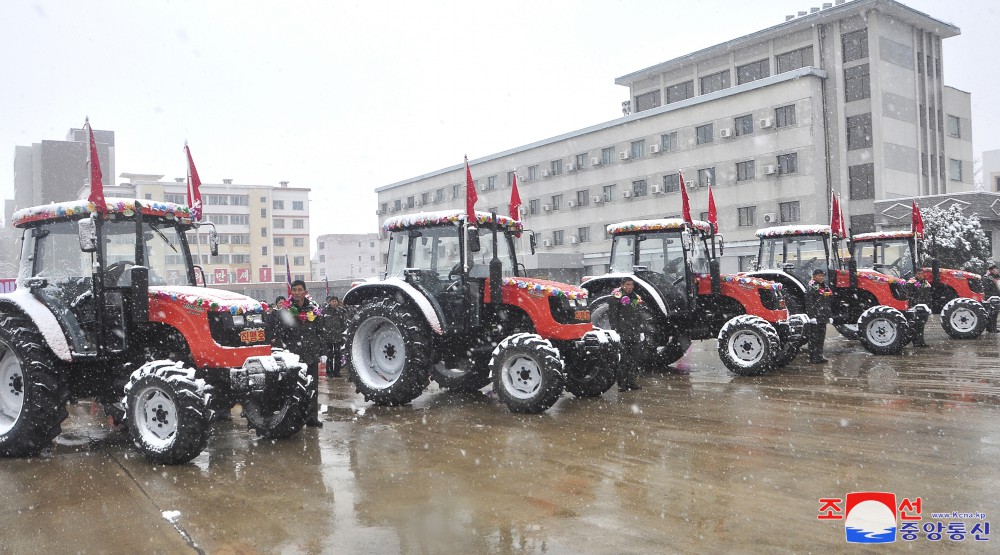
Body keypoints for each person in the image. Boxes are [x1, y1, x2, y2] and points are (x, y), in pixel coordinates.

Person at [274, 282, 324, 427]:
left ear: (305, 292)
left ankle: (311, 417)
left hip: (311, 353)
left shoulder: (313, 309)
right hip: (292, 355)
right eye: (294, 290)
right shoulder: (285, 310)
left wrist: (323, 351)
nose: (296, 293)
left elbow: (320, 332)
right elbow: (279, 334)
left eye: (299, 290)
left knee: (312, 387)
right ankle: (293, 418)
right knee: (293, 388)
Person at [608, 277, 644, 391]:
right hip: (623, 332)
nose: (629, 287)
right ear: (622, 285)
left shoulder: (635, 297)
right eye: (627, 285)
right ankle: (622, 384)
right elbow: (613, 316)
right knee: (624, 359)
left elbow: (639, 315)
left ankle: (631, 382)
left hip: (634, 332)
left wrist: (641, 330)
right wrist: (616, 331)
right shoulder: (616, 297)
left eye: (631, 285)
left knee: (634, 359)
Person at [804, 269, 832, 364]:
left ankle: (819, 356)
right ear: (814, 276)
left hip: (823, 316)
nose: (821, 277)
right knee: (814, 338)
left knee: (821, 337)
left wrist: (829, 315)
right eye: (819, 276)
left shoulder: (824, 286)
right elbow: (809, 303)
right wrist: (812, 316)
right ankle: (813, 357)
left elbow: (827, 302)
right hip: (815, 316)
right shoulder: (811, 287)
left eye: (822, 276)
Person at [323, 295, 349, 377]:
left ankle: (337, 371)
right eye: (332, 301)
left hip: (338, 336)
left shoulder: (340, 311)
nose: (334, 303)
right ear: (329, 302)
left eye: (335, 301)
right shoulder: (324, 311)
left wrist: (342, 333)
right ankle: (329, 371)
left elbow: (343, 324)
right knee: (329, 355)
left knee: (338, 355)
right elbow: (321, 323)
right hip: (328, 337)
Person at [907, 268, 932, 347]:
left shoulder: (925, 283)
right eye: (918, 274)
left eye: (921, 273)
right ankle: (916, 342)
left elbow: (928, 295)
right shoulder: (911, 283)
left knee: (922, 325)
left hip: (924, 306)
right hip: (915, 306)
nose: (920, 275)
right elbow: (910, 294)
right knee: (915, 325)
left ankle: (921, 341)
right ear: (915, 274)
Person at [982, 264, 1000, 333]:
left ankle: (993, 328)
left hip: (996, 297)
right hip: (991, 298)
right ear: (991, 270)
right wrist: (995, 293)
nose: (997, 271)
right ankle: (991, 328)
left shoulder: (997, 277)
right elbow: (987, 289)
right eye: (996, 269)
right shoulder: (988, 278)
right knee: (992, 313)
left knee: (995, 313)